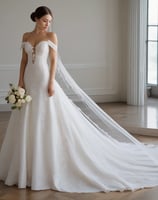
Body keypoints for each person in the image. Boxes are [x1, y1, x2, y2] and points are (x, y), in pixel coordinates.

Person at [0, 6, 158, 193]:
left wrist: (51, 82)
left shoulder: (51, 37)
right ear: (36, 19)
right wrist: (20, 82)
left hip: (43, 80)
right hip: (29, 79)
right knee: (27, 116)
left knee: (46, 116)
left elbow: (53, 62)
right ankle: (24, 165)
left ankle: (45, 164)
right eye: (44, 20)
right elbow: (23, 61)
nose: (47, 24)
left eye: (50, 21)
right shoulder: (26, 36)